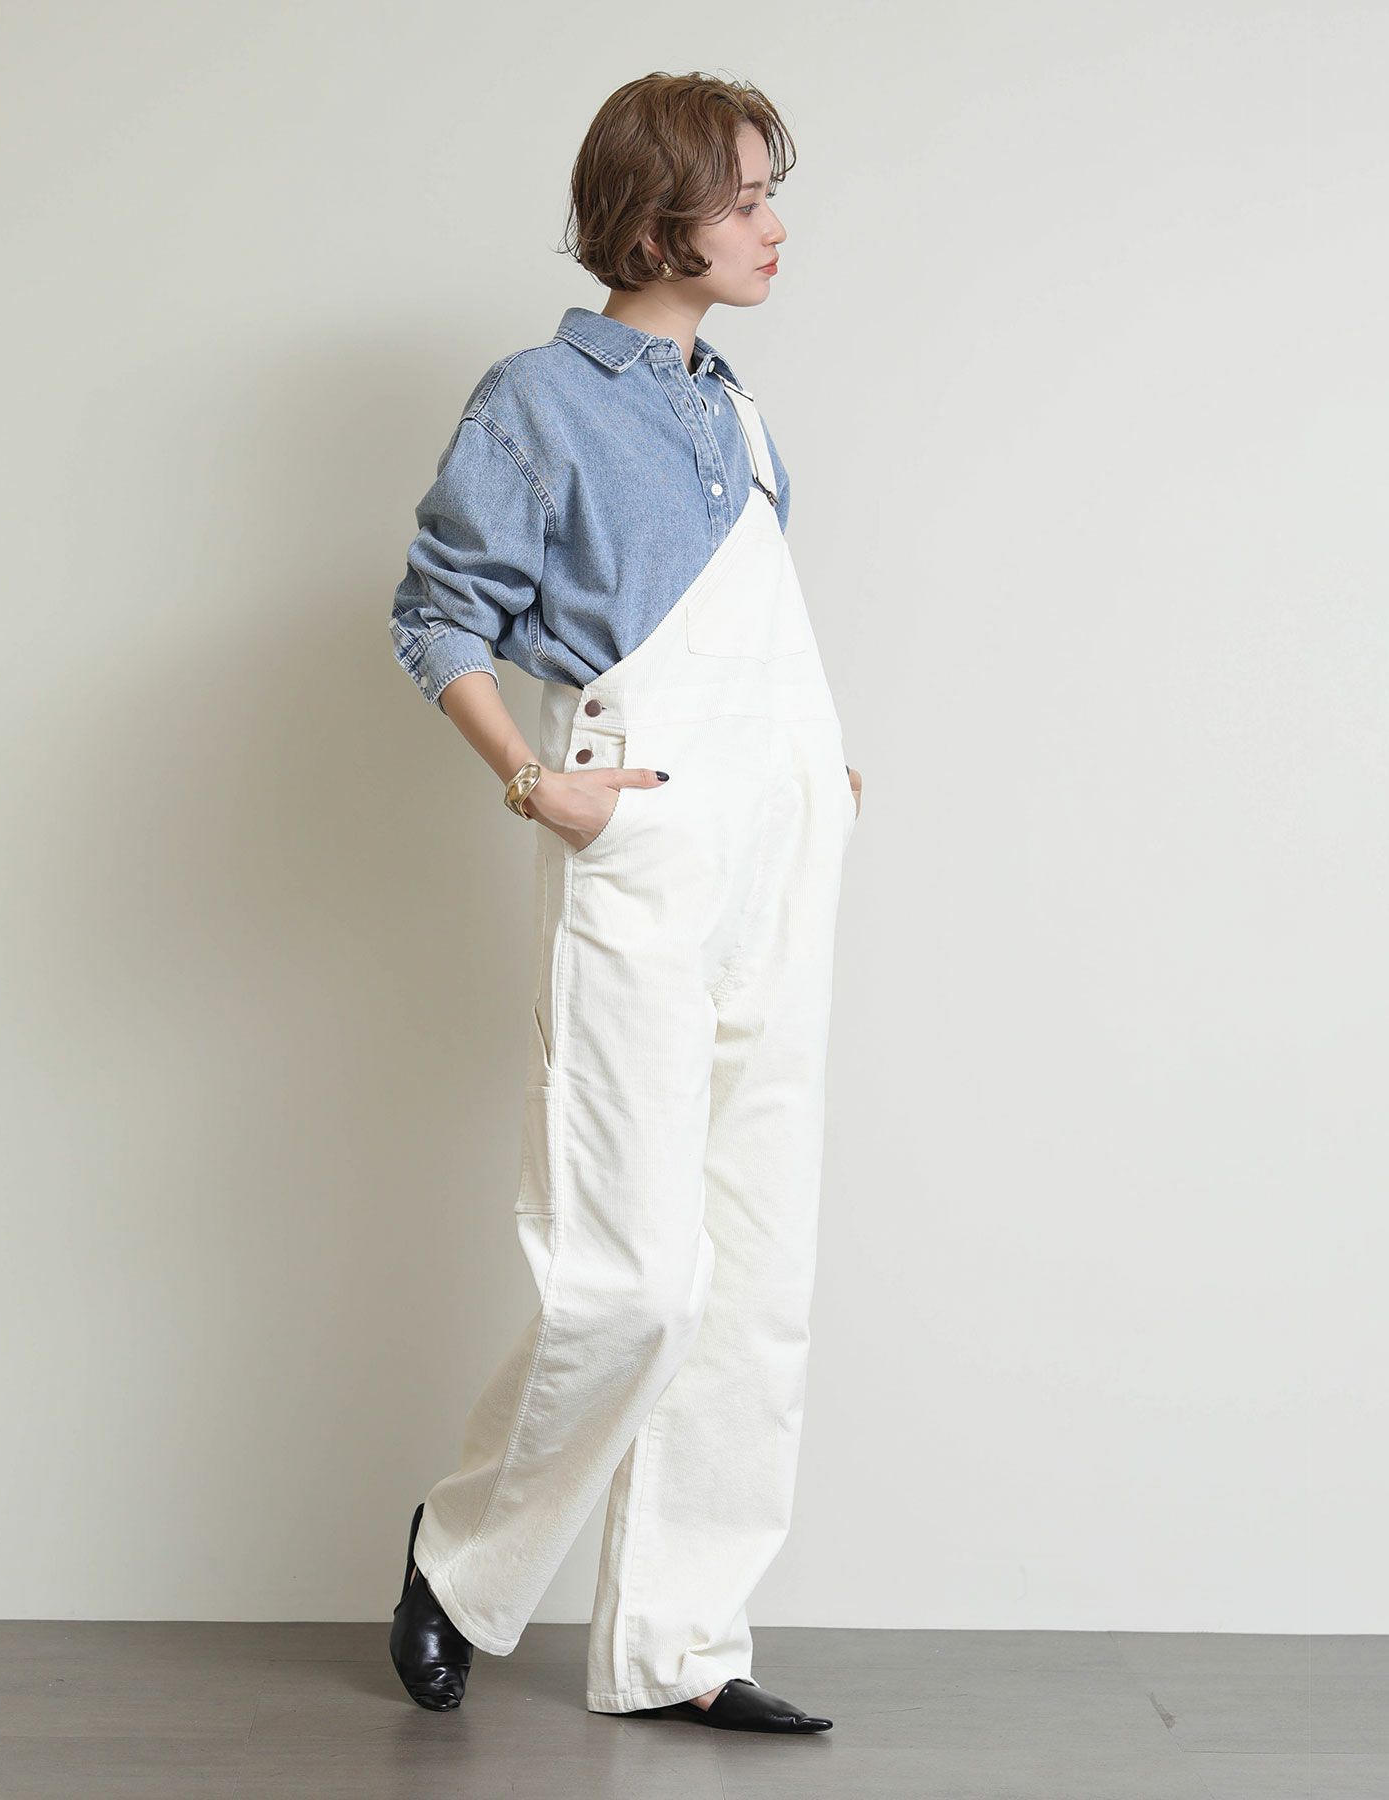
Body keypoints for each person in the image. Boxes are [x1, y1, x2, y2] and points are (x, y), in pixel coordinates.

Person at [387, 71, 860, 1737]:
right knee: (635, 1278)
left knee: (755, 1274)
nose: (775, 225)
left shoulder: (738, 414)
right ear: (659, 221)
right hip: (641, 844)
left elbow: (750, 646)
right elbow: (438, 615)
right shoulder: (539, 399)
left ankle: (683, 1642)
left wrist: (813, 772)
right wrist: (537, 780)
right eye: (747, 198)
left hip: (781, 852)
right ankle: (461, 1560)